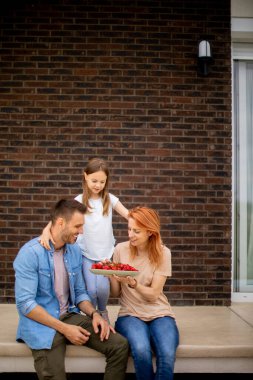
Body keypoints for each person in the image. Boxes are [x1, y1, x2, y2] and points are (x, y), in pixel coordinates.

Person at [13, 199, 129, 380]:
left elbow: (80, 292)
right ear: (61, 223)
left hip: (69, 315)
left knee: (119, 345)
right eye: (77, 226)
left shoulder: (74, 250)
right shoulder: (30, 253)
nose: (81, 232)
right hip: (42, 324)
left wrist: (94, 314)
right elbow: (25, 304)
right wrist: (65, 329)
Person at [39, 157, 129, 323]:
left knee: (102, 289)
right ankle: (92, 317)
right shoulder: (80, 200)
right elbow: (61, 218)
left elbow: (128, 215)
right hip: (86, 253)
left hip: (105, 255)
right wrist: (46, 231)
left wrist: (147, 227)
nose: (98, 185)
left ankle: (102, 311)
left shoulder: (110, 199)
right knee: (91, 290)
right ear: (85, 176)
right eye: (94, 180)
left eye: (102, 182)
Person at [109, 206, 179, 380]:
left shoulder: (163, 253)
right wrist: (111, 275)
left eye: (136, 231)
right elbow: (116, 293)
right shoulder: (120, 249)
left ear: (150, 232)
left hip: (159, 313)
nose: (130, 234)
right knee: (141, 351)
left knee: (167, 354)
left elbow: (154, 294)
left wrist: (133, 283)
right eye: (129, 229)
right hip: (129, 314)